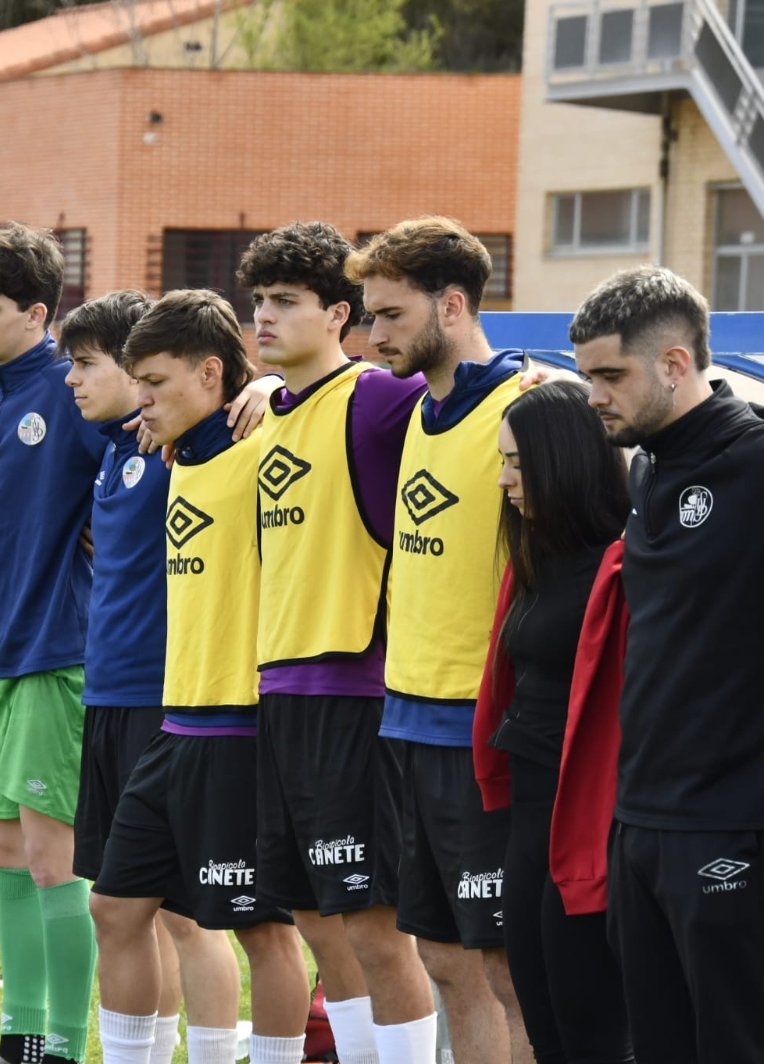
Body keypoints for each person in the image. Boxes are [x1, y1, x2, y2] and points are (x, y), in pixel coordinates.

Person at [93, 289, 310, 1064]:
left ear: (211, 373)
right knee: (116, 908)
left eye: (153, 381)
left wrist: (270, 393)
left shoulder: (266, 445)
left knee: (262, 928)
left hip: (243, 729)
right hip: (171, 723)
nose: (139, 398)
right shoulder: (175, 452)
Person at [348, 217, 539, 1064]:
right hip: (405, 720)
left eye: (388, 315)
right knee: (443, 956)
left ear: (451, 304)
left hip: (481, 728)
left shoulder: (528, 407)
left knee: (509, 966)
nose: (371, 334)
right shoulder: (421, 407)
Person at [241, 222, 431, 1064]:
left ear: (340, 314)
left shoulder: (379, 398)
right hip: (277, 694)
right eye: (258, 302)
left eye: (286, 302)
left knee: (377, 925)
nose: (265, 318)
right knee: (316, 916)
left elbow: (489, 391)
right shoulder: (267, 416)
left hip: (356, 693)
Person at [571, 266, 764, 1061]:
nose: (594, 396)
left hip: (730, 822)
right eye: (586, 377)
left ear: (676, 364)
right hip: (640, 819)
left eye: (610, 375)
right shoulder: (647, 466)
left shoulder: (755, 463)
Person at [0, 223, 106, 1064]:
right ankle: (20, 1036)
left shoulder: (70, 387)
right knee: (4, 849)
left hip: (58, 649)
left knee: (55, 861)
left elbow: (141, 442)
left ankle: (65, 1045)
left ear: (38, 313)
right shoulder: (2, 389)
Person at [470, 381, 633, 1064]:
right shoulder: (534, 558)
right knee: (539, 1009)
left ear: (562, 460)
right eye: (503, 462)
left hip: (589, 819)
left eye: (517, 463)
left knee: (588, 1018)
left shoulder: (625, 564)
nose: (506, 481)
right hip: (529, 810)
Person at [57, 291, 182, 1064]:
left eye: (86, 363)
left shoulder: (177, 447)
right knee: (133, 910)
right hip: (104, 694)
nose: (72, 378)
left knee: (181, 916)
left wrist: (258, 392)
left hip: (162, 699)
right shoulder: (114, 450)